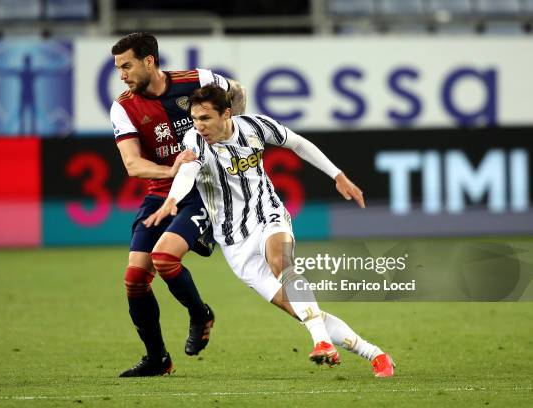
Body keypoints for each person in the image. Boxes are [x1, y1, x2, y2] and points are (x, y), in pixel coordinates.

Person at [144, 84, 395, 377]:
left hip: (268, 215)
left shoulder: (256, 127)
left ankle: (322, 342)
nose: (199, 126)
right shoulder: (195, 141)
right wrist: (172, 200)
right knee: (302, 311)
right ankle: (376, 355)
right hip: (234, 242)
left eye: (206, 118)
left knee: (281, 261)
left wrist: (338, 175)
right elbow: (187, 173)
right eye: (195, 119)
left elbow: (299, 144)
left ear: (226, 114)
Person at [109, 33, 246, 377]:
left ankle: (199, 314)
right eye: (118, 68)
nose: (122, 75)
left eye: (127, 66)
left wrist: (233, 139)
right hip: (161, 193)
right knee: (134, 278)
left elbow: (238, 92)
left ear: (149, 61)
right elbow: (132, 164)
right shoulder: (123, 107)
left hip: (204, 189)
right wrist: (171, 169)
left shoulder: (197, 80)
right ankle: (157, 359)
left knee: (165, 258)